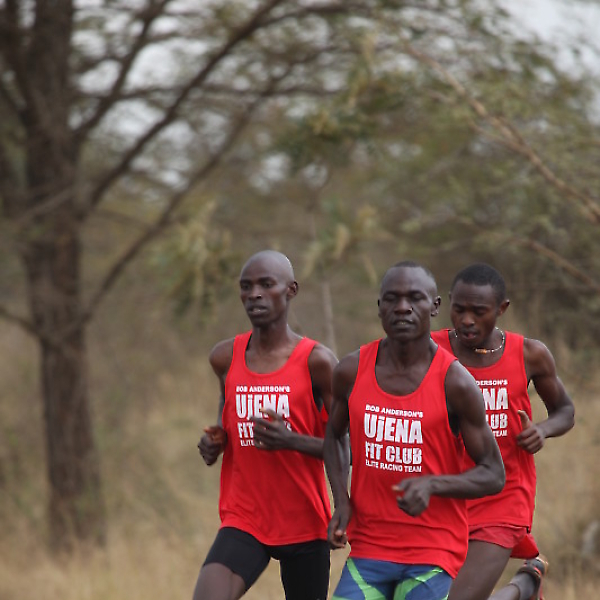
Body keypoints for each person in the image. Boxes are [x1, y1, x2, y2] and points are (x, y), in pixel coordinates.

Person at [324, 261, 505, 600]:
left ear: (434, 307)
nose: (402, 307)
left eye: (415, 298)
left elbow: (494, 473)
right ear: (380, 307)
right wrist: (342, 501)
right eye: (392, 299)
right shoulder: (351, 370)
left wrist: (432, 484)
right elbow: (334, 436)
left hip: (433, 550)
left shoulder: (456, 383)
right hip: (369, 546)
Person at [193, 250, 340, 600]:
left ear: (291, 290)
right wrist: (217, 440)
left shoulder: (318, 362)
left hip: (303, 520)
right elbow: (227, 410)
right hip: (245, 516)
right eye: (246, 287)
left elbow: (344, 447)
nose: (254, 294)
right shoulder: (225, 357)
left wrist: (290, 441)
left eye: (266, 284)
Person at [431, 263, 575, 600]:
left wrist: (542, 430)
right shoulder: (430, 350)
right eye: (459, 309)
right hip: (443, 495)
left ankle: (522, 585)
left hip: (504, 495)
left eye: (479, 311)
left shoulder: (528, 354)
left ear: (501, 308)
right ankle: (524, 588)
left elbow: (565, 411)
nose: (467, 320)